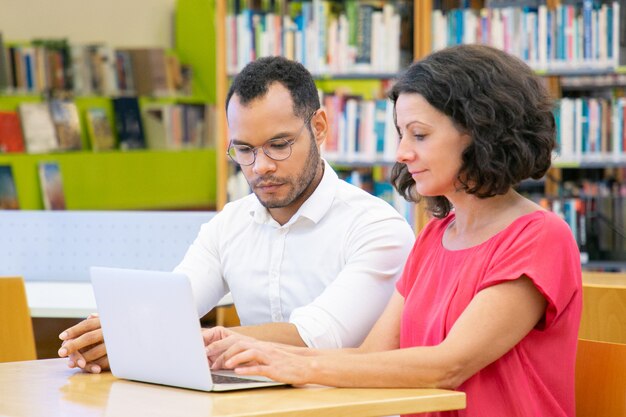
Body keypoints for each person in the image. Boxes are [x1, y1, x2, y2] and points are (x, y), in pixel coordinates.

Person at [213, 45, 583, 417]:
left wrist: (294, 364)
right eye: (401, 134)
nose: (402, 152)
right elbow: (371, 357)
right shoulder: (435, 237)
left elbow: (447, 366)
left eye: (419, 135)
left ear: (480, 133)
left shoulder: (539, 237)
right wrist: (246, 352)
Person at [57, 56, 415, 374]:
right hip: (252, 405)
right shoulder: (229, 224)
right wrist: (117, 334)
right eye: (244, 149)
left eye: (279, 145)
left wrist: (163, 335)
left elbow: (315, 336)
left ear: (319, 127)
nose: (260, 167)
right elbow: (175, 302)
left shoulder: (377, 229)